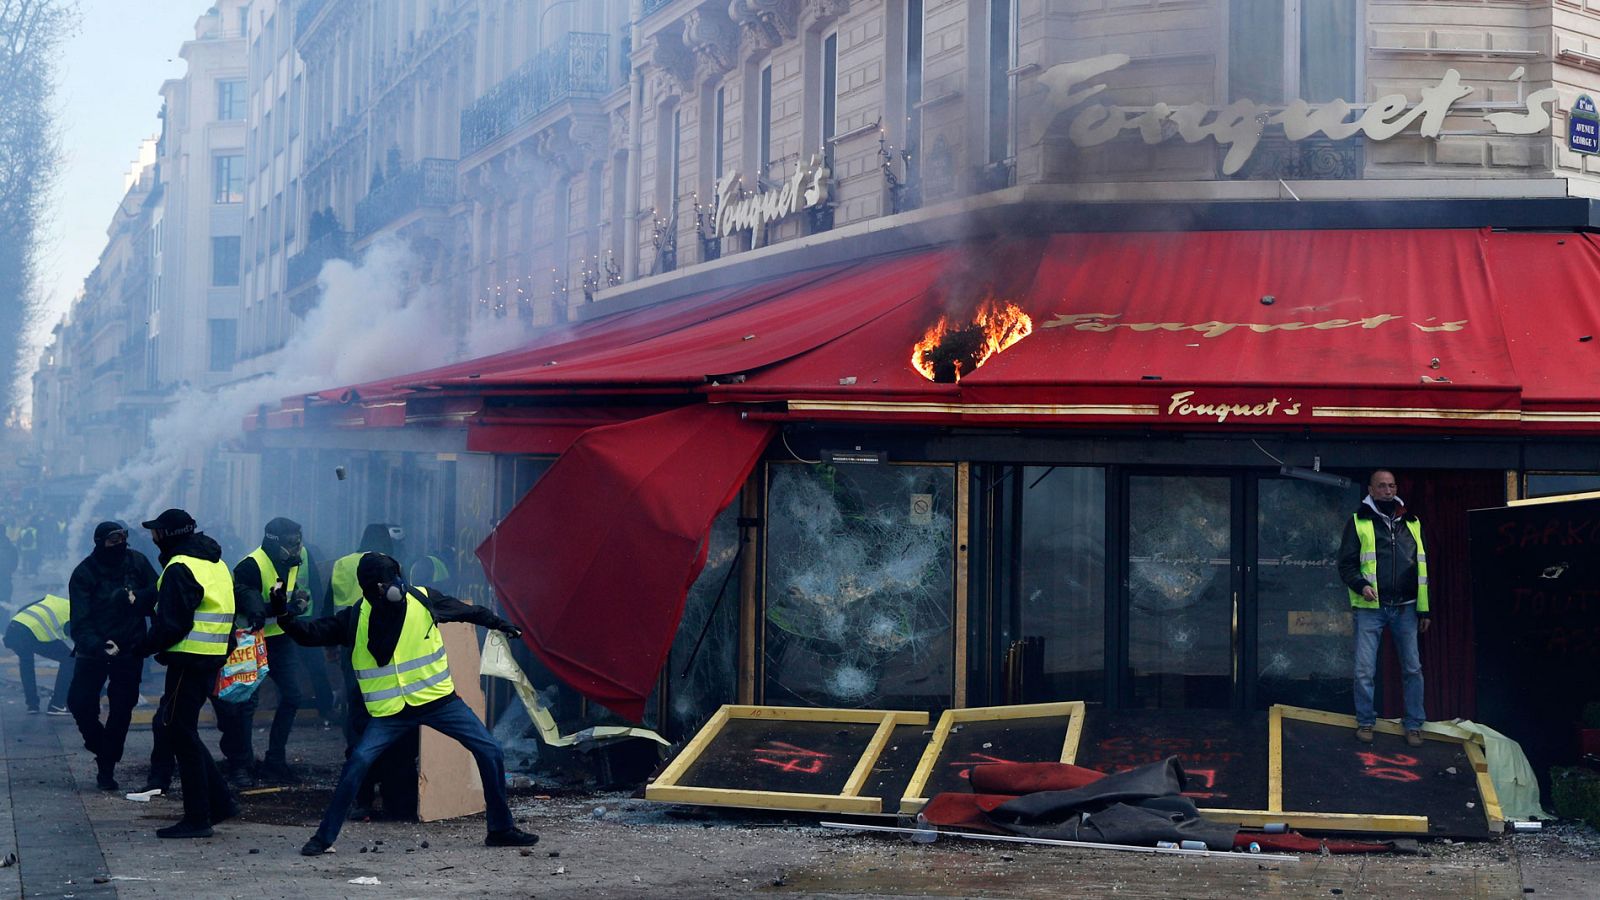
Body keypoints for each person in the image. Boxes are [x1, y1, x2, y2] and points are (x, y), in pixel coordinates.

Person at [283, 552, 539, 855]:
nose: (392, 588)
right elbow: (310, 634)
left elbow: (467, 612)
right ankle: (323, 838)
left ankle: (500, 829)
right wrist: (284, 617)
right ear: (373, 588)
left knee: (489, 750)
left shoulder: (423, 599)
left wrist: (499, 624)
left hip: (439, 702)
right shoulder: (355, 617)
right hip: (390, 714)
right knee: (358, 763)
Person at [137, 508, 239, 838]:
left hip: (187, 660)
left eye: (156, 533)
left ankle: (198, 817)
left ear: (167, 536)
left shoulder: (180, 567)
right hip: (209, 659)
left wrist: (137, 648)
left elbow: (172, 624)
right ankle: (221, 803)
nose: (152, 538)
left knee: (179, 733)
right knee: (183, 730)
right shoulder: (215, 563)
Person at [1338, 469, 1430, 748]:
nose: (1388, 491)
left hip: (1406, 607)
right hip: (1371, 606)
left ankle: (1413, 724)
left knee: (1413, 668)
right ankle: (1366, 721)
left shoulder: (1412, 522)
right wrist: (1361, 585)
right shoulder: (1359, 521)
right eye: (1382, 486)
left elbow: (1422, 570)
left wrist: (1424, 610)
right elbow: (1346, 564)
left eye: (1391, 486)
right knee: (1364, 669)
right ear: (1371, 489)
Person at [215, 517, 311, 785]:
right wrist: (283, 609)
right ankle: (241, 766)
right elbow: (247, 608)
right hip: (252, 642)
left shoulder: (296, 558)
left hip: (280, 640)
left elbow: (288, 593)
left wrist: (297, 600)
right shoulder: (250, 566)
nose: (297, 547)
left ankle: (275, 760)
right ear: (275, 542)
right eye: (292, 543)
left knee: (293, 696)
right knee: (246, 705)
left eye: (298, 541)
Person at [66, 521, 158, 790]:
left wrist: (134, 598)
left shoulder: (137, 562)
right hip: (94, 650)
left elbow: (156, 592)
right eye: (113, 540)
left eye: (123, 538)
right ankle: (101, 746)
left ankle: (106, 768)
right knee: (80, 703)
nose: (120, 545)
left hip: (129, 648)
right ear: (99, 542)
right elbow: (79, 622)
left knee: (121, 708)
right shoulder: (85, 572)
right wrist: (97, 644)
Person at [4, 593, 74, 714]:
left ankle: (32, 704)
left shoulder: (54, 600)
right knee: (70, 659)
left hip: (14, 630)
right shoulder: (78, 614)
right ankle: (57, 703)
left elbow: (23, 609)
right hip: (31, 634)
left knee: (26, 664)